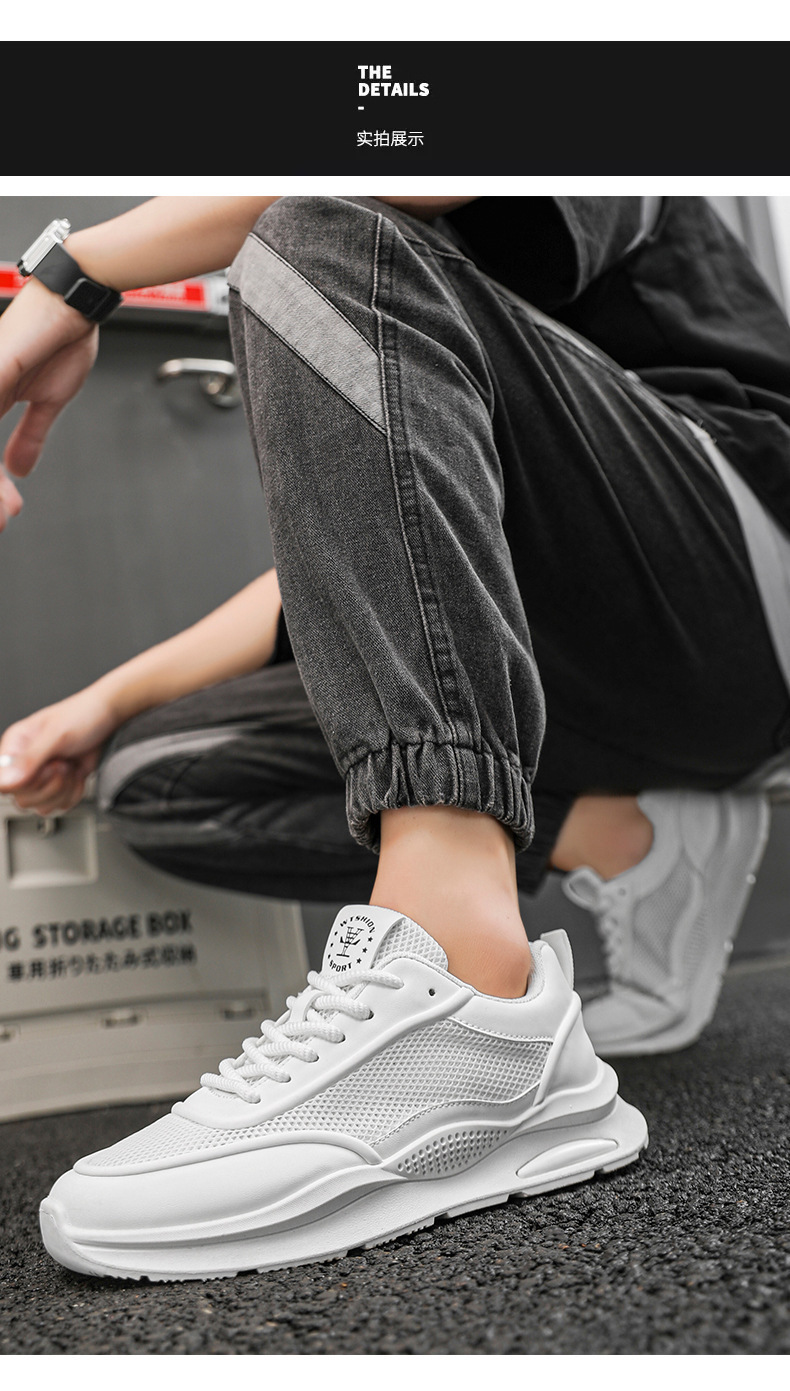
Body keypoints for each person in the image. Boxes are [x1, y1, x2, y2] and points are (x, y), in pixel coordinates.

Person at [0, 194, 786, 1281]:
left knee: (320, 234)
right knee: (156, 776)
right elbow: (397, 544)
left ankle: (464, 975)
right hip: (567, 667)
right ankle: (624, 837)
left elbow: (380, 191)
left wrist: (74, 275)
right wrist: (102, 702)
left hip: (745, 599)